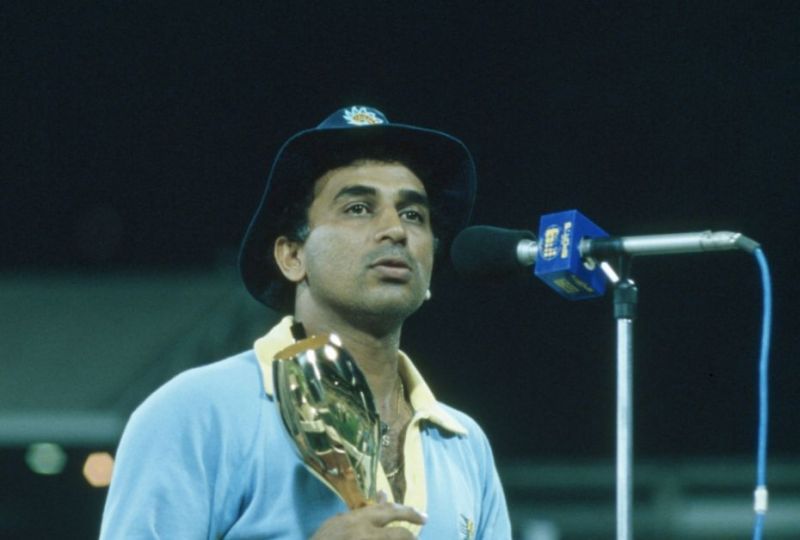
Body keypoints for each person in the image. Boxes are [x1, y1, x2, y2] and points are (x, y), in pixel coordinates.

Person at [100, 106, 512, 539]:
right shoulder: (197, 411)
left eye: (413, 215)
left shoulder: (464, 444)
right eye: (358, 207)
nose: (395, 230)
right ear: (292, 256)